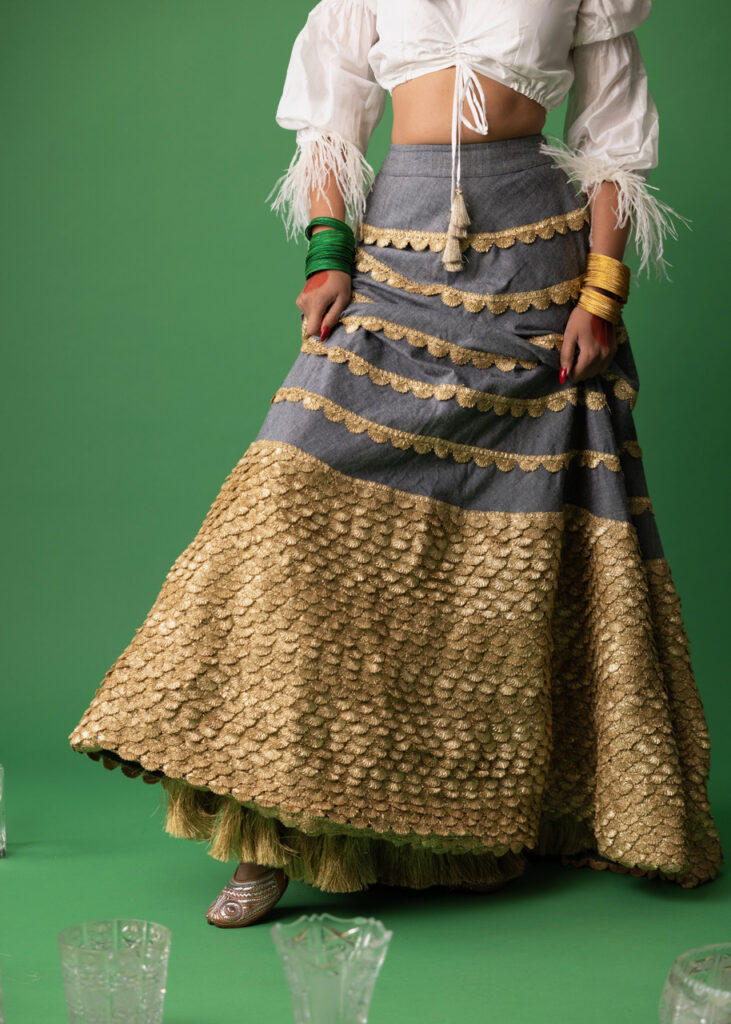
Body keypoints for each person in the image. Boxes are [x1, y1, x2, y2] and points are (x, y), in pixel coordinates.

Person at [69, 0, 723, 929]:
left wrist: (602, 292)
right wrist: (328, 254)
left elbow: (613, 142)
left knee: (517, 559)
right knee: (289, 492)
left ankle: (480, 825)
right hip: (396, 253)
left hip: (537, 266)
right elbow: (329, 122)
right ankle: (268, 837)